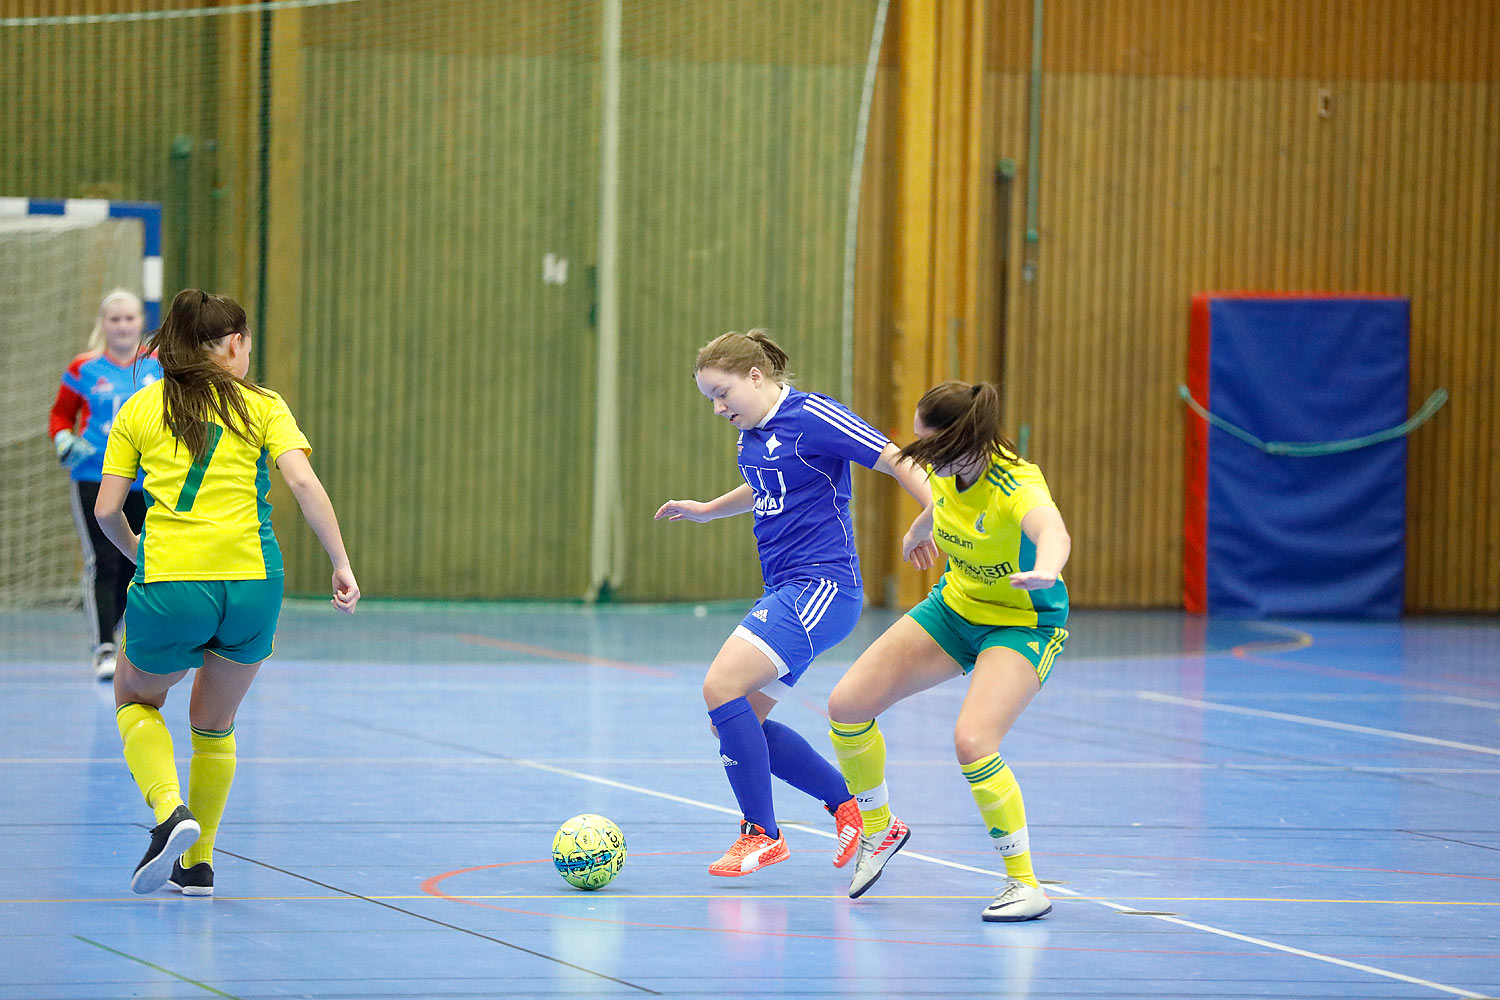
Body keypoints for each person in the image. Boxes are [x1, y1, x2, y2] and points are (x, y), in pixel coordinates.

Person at [95, 288, 359, 897]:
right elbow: (302, 481)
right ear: (235, 344)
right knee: (214, 724)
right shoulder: (262, 405)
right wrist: (340, 563)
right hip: (254, 583)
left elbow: (108, 509)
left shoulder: (141, 407)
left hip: (173, 582)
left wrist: (144, 553)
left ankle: (169, 812)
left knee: (135, 695)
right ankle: (200, 862)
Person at [655, 329, 938, 877]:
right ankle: (857, 810)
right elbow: (766, 486)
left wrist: (928, 513)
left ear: (755, 377)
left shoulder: (814, 415)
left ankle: (762, 834)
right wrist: (708, 509)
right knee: (734, 723)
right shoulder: (752, 434)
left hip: (822, 588)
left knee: (720, 687)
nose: (717, 408)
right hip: (787, 588)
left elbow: (897, 458)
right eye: (710, 399)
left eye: (722, 393)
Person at [826, 380, 1070, 921]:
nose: (918, 455)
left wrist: (1048, 567)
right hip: (955, 609)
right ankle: (879, 827)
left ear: (963, 440)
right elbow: (944, 502)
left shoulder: (1018, 485)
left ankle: (1025, 884)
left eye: (927, 443)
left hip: (1020, 623)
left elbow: (1051, 529)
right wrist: (919, 529)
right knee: (846, 707)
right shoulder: (946, 467)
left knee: (973, 741)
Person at [48, 290, 163, 680]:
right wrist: (64, 440)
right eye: (115, 320)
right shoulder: (85, 368)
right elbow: (61, 417)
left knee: (138, 560)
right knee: (104, 560)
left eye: (129, 318)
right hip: (95, 477)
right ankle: (104, 646)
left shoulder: (157, 367)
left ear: (140, 323)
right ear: (103, 324)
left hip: (146, 480)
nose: (122, 326)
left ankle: (121, 634)